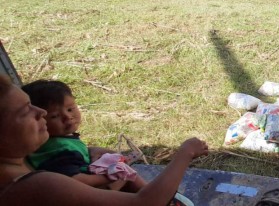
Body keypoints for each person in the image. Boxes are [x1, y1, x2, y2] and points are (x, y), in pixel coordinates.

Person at [0, 75, 209, 205]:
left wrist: (90, 151)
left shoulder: (21, 161)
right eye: (24, 111)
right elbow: (146, 203)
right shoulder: (38, 184)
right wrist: (185, 153)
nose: (41, 112)